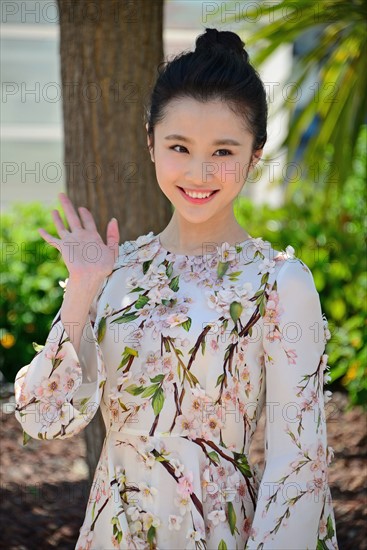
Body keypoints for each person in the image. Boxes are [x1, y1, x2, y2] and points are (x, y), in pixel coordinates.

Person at [13, 27, 339, 550]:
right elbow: (43, 419)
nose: (198, 171)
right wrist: (81, 291)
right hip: (113, 531)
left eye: (224, 150)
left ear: (256, 155)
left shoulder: (279, 284)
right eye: (179, 147)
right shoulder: (117, 272)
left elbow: (297, 468)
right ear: (150, 142)